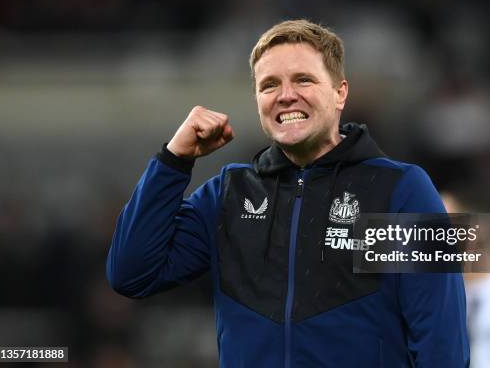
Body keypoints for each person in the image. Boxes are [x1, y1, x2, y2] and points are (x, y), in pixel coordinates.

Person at [107, 19, 470, 367]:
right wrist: (173, 161)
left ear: (340, 92)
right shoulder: (229, 195)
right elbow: (132, 273)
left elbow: (441, 340)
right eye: (269, 85)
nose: (286, 96)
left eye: (304, 80)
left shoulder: (401, 190)